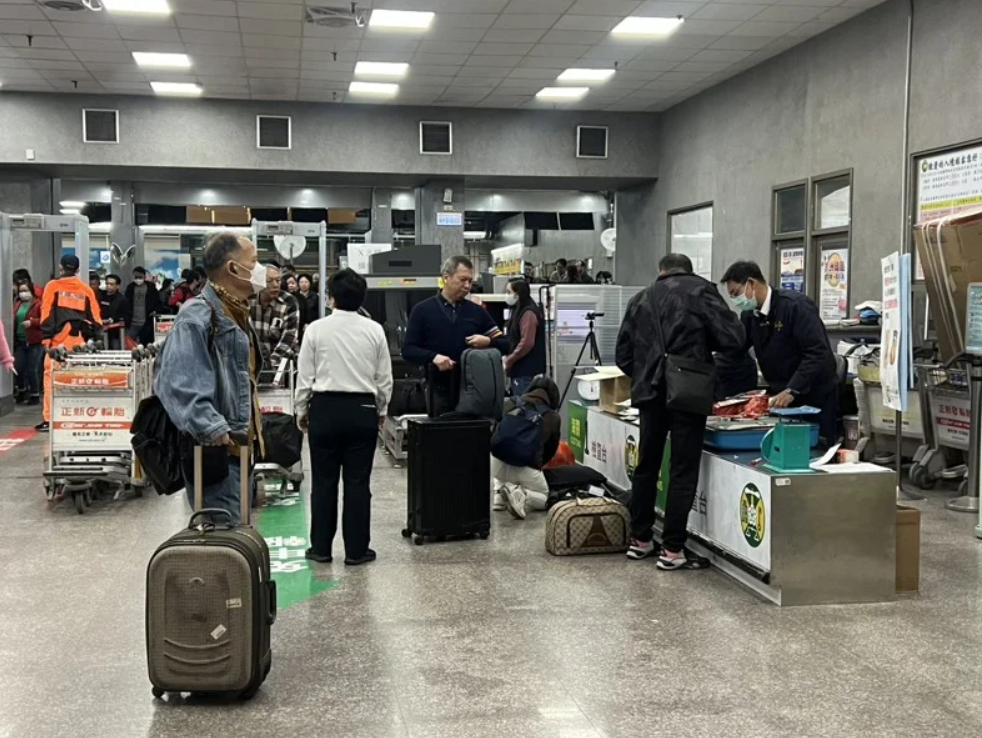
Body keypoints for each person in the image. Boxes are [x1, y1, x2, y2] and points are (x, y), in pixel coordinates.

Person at [616, 253, 745, 570]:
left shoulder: (640, 298)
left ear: (661, 271)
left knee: (647, 464)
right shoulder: (700, 291)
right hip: (688, 390)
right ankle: (672, 549)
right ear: (688, 271)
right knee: (682, 468)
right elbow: (734, 338)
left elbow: (622, 355)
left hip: (649, 394)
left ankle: (641, 540)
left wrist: (649, 374)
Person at [154, 234, 266, 525]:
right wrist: (213, 429)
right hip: (217, 454)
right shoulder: (198, 314)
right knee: (221, 537)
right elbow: (177, 382)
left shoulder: (235, 311)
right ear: (233, 269)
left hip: (239, 449)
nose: (260, 269)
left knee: (236, 535)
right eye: (254, 262)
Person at [295, 268, 393, 566]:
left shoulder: (315, 329)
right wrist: (382, 409)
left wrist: (301, 410)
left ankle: (321, 549)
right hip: (362, 410)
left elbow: (305, 376)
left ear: (331, 298)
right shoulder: (374, 329)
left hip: (324, 409)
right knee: (358, 484)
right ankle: (356, 551)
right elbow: (384, 378)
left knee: (323, 483)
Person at [721, 260, 838, 443]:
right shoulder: (750, 315)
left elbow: (817, 352)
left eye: (736, 294)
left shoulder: (795, 306)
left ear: (751, 283)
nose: (737, 301)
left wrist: (792, 389)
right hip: (779, 396)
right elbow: (736, 350)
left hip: (813, 394)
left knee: (814, 448)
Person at [402, 256, 510, 417]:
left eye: (470, 281)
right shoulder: (423, 311)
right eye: (462, 280)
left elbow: (506, 344)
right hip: (438, 389)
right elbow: (408, 350)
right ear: (446, 278)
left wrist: (488, 341)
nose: (467, 286)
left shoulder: (477, 312)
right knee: (443, 436)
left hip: (473, 390)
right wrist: (433, 357)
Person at [39, 254, 103, 432]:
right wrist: (96, 339)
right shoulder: (86, 290)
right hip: (80, 341)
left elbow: (47, 313)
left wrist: (46, 338)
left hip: (58, 340)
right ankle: (75, 415)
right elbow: (97, 319)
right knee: (77, 378)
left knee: (50, 377)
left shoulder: (53, 286)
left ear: (61, 267)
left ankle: (50, 419)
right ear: (77, 270)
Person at [492, 376, 561, 519]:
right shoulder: (552, 416)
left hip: (496, 465)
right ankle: (522, 495)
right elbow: (551, 449)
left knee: (504, 449)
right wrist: (537, 464)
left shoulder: (510, 402)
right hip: (526, 468)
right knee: (544, 496)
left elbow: (495, 431)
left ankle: (498, 495)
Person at [250, 264, 300, 383]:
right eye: (269, 281)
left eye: (278, 280)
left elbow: (290, 336)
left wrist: (269, 363)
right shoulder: (247, 299)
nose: (275, 285)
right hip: (249, 366)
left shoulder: (289, 301)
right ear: (259, 282)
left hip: (280, 367)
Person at [503, 278, 545, 398]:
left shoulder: (528, 313)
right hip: (520, 371)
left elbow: (527, 343)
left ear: (518, 294)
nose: (507, 296)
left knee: (524, 407)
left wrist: (510, 359)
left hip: (525, 371)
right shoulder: (519, 310)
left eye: (509, 292)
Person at [12, 278, 42, 405]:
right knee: (18, 368)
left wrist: (32, 322)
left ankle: (35, 394)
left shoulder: (39, 304)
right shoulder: (17, 304)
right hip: (20, 341)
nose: (22, 293)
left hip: (35, 342)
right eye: (20, 291)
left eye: (25, 290)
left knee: (32, 369)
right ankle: (22, 391)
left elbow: (45, 321)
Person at [125, 266, 161, 347]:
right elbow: (126, 303)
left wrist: (155, 311)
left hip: (147, 322)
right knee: (130, 344)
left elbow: (157, 302)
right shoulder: (130, 288)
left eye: (140, 277)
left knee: (146, 345)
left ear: (144, 276)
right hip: (132, 323)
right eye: (136, 277)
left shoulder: (151, 288)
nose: (138, 279)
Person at [99, 274, 129, 350]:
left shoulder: (122, 300)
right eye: (107, 283)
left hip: (116, 333)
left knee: (116, 351)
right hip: (101, 331)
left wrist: (113, 319)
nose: (108, 286)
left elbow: (126, 316)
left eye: (111, 284)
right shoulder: (100, 296)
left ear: (117, 286)